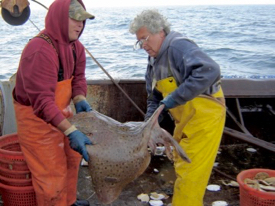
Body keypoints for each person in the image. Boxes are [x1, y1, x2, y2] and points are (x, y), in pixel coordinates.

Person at [129, 10, 226, 206]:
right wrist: (149, 124)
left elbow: (210, 70)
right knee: (181, 165)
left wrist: (173, 98)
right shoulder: (153, 62)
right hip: (185, 119)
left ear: (161, 32)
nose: (143, 46)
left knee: (191, 173)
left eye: (145, 39)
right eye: (139, 42)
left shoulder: (178, 46)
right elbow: (154, 98)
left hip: (205, 118)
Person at [12, 0, 95, 205]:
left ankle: (68, 201)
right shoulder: (40, 50)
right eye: (74, 18)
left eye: (82, 20)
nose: (80, 24)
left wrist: (79, 98)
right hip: (37, 124)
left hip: (62, 115)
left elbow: (79, 78)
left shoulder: (77, 47)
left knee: (72, 162)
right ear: (58, 18)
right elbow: (42, 102)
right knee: (51, 179)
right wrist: (71, 131)